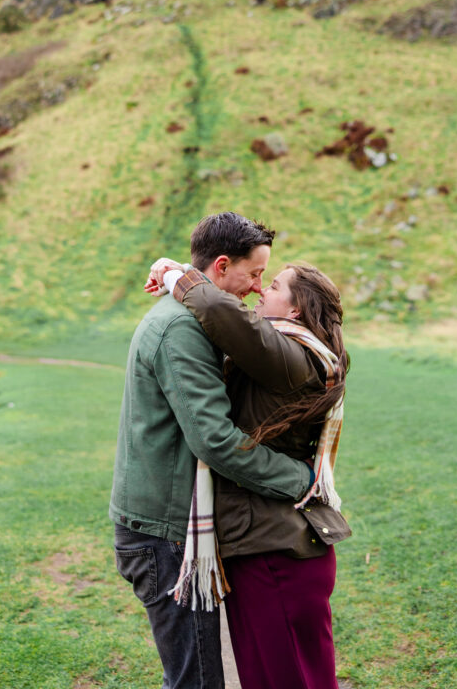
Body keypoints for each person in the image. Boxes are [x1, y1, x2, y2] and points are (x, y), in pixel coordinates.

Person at [109, 213, 317, 689]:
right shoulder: (181, 329)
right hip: (163, 535)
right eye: (255, 273)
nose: (258, 287)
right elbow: (215, 441)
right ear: (222, 266)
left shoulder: (192, 316)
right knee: (196, 682)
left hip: (169, 525)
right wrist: (301, 479)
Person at [149, 258, 351, 689]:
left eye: (274, 285)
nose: (262, 291)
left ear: (295, 310)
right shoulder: (293, 354)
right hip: (277, 546)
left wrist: (171, 272)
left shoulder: (290, 356)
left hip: (273, 554)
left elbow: (222, 312)